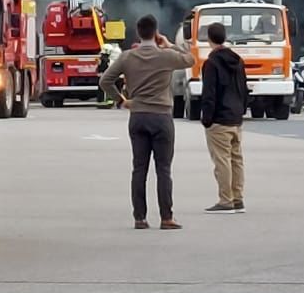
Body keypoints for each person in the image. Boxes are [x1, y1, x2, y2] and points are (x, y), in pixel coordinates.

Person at [99, 14, 192, 230]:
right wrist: (169, 44)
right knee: (164, 169)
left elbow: (105, 81)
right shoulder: (166, 55)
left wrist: (122, 101)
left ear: (138, 33)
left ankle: (139, 218)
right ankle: (166, 217)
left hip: (138, 116)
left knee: (139, 169)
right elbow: (190, 59)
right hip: (161, 117)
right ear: (156, 32)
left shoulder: (127, 57)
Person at [199, 22, 248, 214]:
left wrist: (206, 118)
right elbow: (243, 88)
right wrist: (242, 110)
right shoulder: (237, 60)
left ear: (209, 38)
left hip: (219, 118)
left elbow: (209, 93)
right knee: (236, 159)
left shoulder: (211, 63)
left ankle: (225, 200)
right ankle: (238, 198)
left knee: (222, 161)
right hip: (236, 117)